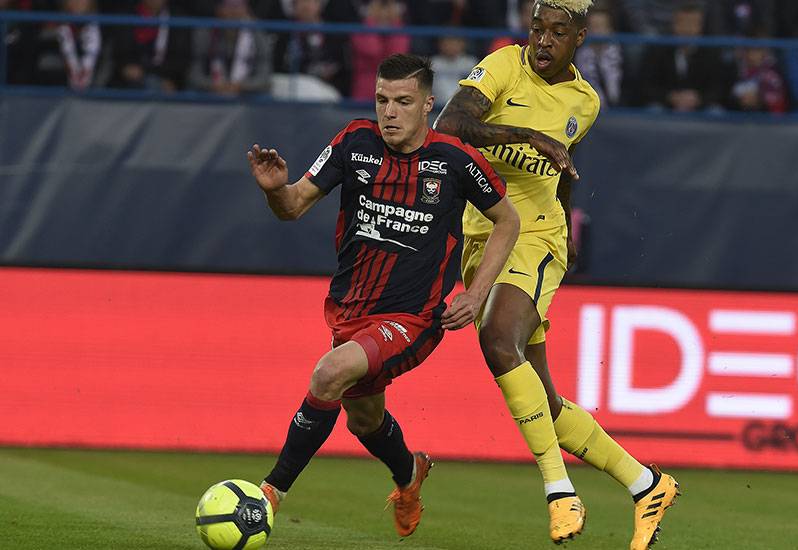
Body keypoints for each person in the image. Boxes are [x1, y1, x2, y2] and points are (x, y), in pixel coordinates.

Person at [434, 1, 679, 547]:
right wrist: (529, 137)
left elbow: (563, 170)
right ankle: (648, 485)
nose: (543, 41)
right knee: (541, 400)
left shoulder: (585, 101)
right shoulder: (502, 66)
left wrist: (564, 226)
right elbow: (449, 124)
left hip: (538, 235)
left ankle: (559, 491)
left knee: (499, 342)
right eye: (537, 29)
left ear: (580, 38)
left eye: (557, 33)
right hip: (484, 234)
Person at [248, 54, 519, 538]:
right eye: (381, 100)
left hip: (414, 318)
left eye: (402, 102)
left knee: (329, 373)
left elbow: (507, 220)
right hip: (351, 312)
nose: (389, 112)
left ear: (427, 105)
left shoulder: (455, 160)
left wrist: (476, 294)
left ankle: (268, 494)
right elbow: (292, 206)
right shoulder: (354, 142)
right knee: (363, 420)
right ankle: (408, 474)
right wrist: (274, 190)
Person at [639, 1, 730, 112]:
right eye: (683, 23)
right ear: (674, 25)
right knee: (653, 110)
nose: (687, 29)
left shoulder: (711, 52)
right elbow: (646, 86)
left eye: (693, 23)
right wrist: (670, 97)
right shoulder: (658, 49)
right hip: (666, 106)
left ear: (700, 26)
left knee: (716, 112)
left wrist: (698, 99)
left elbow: (718, 89)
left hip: (701, 107)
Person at [188, 0, 272, 97]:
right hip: (210, 97)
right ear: (219, 9)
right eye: (229, 6)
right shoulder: (205, 33)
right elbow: (194, 76)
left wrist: (241, 86)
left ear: (246, 9)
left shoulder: (257, 33)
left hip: (247, 99)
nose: (234, 12)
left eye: (238, 6)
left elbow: (265, 77)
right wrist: (213, 85)